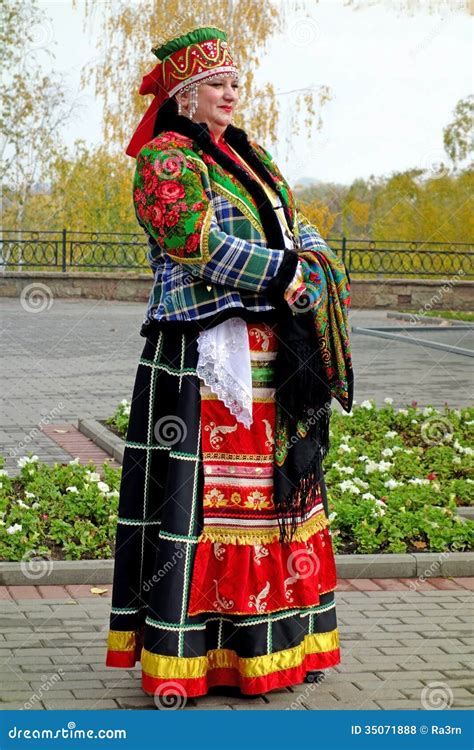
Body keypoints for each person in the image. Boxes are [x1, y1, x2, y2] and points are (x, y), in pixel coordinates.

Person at [105, 25, 353, 704]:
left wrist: (315, 258)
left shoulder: (249, 156)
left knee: (272, 494)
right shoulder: (165, 159)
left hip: (271, 350)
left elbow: (289, 219)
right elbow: (193, 241)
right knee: (211, 504)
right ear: (184, 96)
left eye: (235, 83)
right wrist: (285, 273)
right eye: (217, 85)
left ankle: (280, 648)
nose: (230, 95)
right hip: (202, 354)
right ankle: (199, 658)